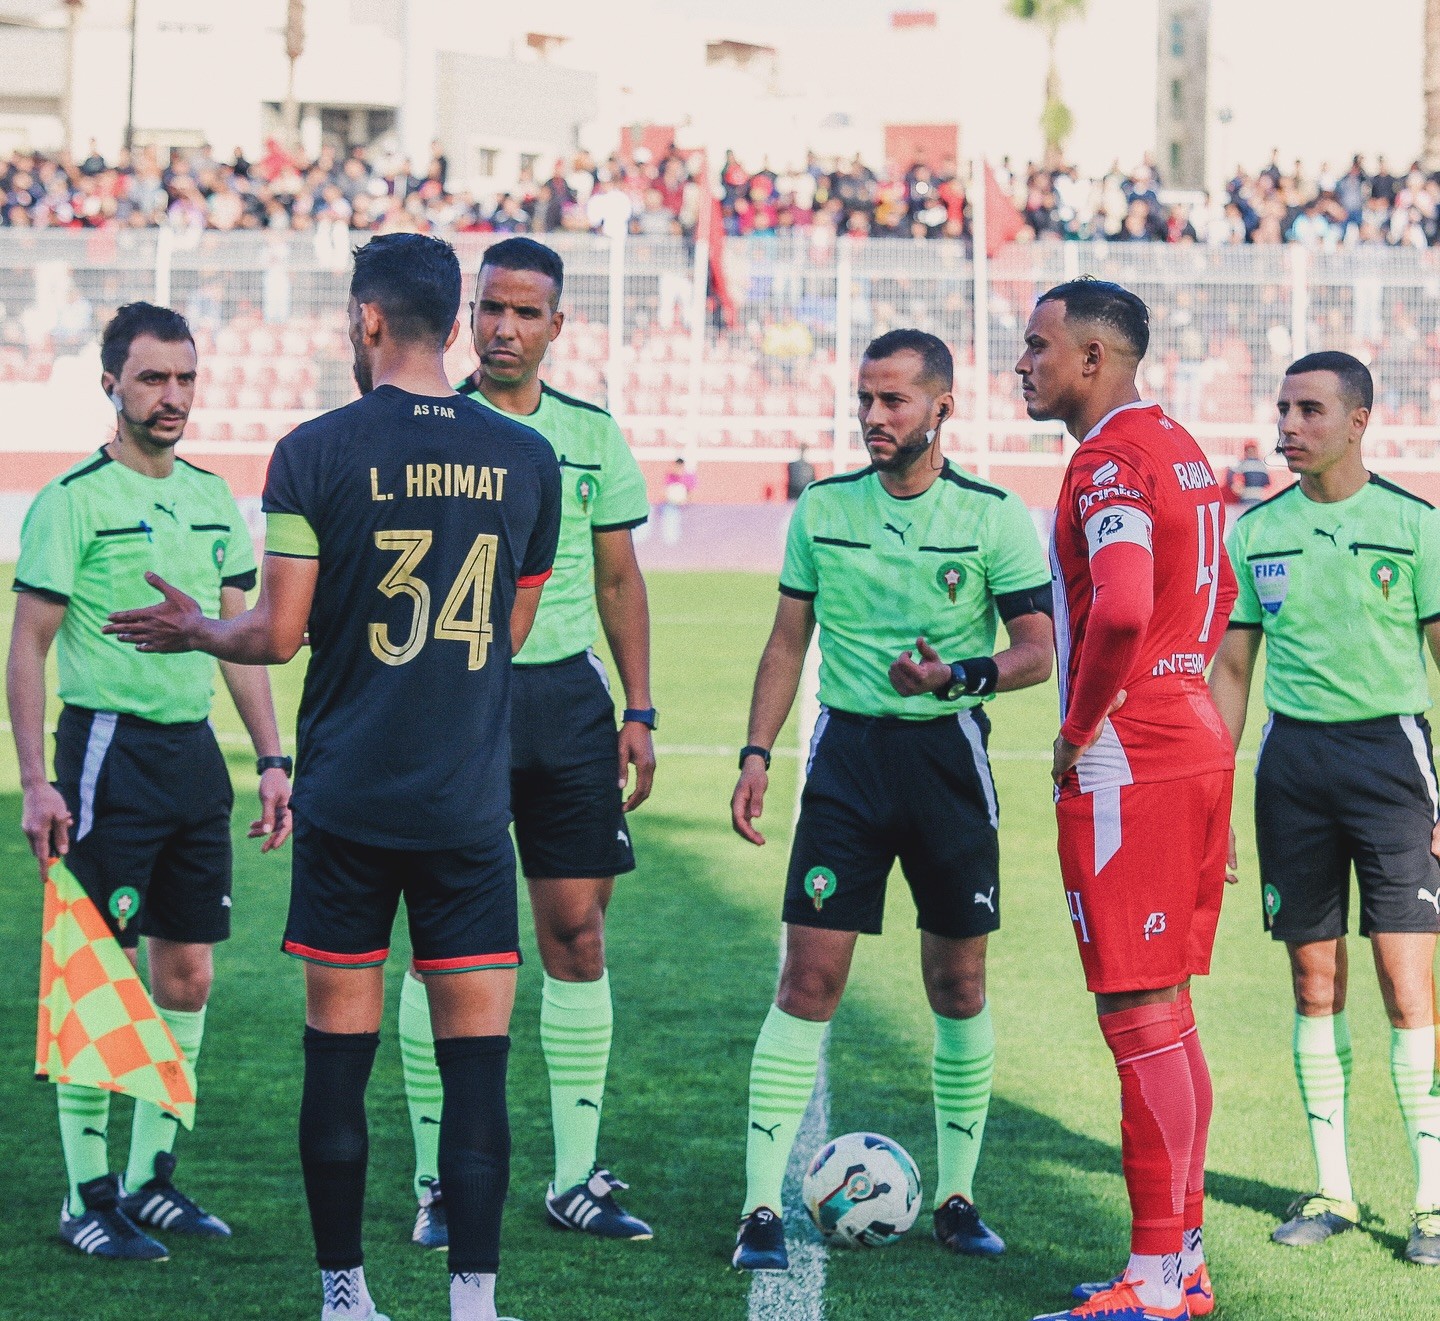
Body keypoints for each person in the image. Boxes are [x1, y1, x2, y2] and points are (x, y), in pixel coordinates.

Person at [104, 233, 562, 1321]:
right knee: (478, 1071)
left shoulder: (313, 449)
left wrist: (200, 629)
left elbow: (279, 633)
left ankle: (346, 1295)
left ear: (365, 320)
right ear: (453, 324)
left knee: (338, 1058)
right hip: (463, 803)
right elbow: (512, 627)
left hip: (352, 799)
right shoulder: (529, 457)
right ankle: (475, 1302)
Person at [729, 328, 1054, 1271]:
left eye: (895, 401)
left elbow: (1038, 650)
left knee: (958, 984)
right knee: (808, 979)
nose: (874, 417)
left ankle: (955, 1196)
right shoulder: (823, 507)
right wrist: (756, 750)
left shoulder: (992, 516)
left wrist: (954, 674)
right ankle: (759, 1207)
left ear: (941, 407)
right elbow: (788, 640)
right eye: (866, 400)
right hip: (847, 766)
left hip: (951, 761)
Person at [6, 301, 292, 1260]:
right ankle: (87, 1195)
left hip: (193, 759)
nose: (171, 397)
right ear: (110, 386)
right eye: (151, 379)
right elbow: (30, 644)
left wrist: (272, 757)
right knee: (96, 970)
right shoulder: (71, 500)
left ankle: (150, 1179)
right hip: (105, 753)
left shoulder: (216, 499)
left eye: (185, 379)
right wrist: (37, 778)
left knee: (188, 970)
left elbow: (241, 646)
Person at [398, 235, 656, 1248]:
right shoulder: (428, 430)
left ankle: (575, 1178)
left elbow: (619, 579)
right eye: (488, 309)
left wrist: (639, 709)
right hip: (456, 702)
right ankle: (434, 1184)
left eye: (524, 312)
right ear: (467, 316)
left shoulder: (591, 434)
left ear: (557, 325)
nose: (503, 328)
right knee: (441, 953)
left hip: (568, 708)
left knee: (577, 934)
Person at [1018, 278, 1237, 1321]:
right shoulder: (1184, 447)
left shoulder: (1109, 457)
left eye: (1038, 345)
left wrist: (1075, 732)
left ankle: (1154, 1279)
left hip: (1128, 754)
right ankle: (1180, 1262)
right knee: (1171, 1015)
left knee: (1138, 1014)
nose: (1024, 363)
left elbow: (1122, 605)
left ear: (1093, 358)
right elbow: (1220, 594)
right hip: (1191, 727)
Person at [1208, 351, 1440, 1265]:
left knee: (1406, 985)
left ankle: (1431, 1200)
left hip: (1391, 759)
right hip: (1292, 764)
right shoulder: (1254, 532)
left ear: (1359, 422)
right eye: (1283, 408)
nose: (1289, 426)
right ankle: (1333, 1188)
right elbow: (1232, 669)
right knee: (1313, 983)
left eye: (1310, 410)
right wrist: (1212, 795)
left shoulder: (1415, 527)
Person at [1223, 439, 1272, 530]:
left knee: (1245, 527)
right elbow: (1267, 482)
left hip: (1245, 500)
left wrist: (1235, 486)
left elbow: (1230, 473)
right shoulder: (1262, 465)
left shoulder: (1244, 464)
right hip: (1258, 500)